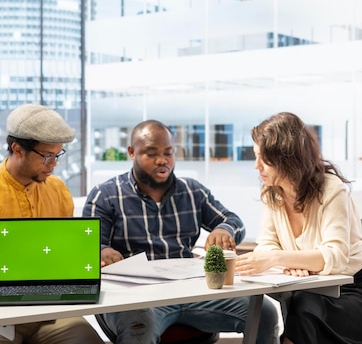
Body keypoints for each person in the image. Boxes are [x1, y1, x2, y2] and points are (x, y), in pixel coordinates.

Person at [83, 119, 280, 344]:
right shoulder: (106, 195)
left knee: (265, 312)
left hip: (190, 292)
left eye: (169, 153)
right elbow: (86, 248)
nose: (162, 160)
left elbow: (234, 221)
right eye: (151, 153)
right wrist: (101, 250)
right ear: (131, 152)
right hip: (136, 297)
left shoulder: (192, 191)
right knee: (139, 328)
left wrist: (224, 230)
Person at [0, 103, 104, 344]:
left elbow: (66, 251)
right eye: (47, 156)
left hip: (50, 311)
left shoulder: (58, 190)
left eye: (58, 155)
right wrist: (33, 261)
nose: (53, 164)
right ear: (17, 149)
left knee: (86, 339)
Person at [235, 112, 362, 344]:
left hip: (357, 292)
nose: (256, 166)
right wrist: (293, 261)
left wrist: (281, 259)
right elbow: (266, 245)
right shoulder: (272, 193)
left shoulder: (331, 189)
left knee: (303, 311)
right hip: (311, 291)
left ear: (286, 157)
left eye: (264, 158)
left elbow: (335, 257)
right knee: (301, 308)